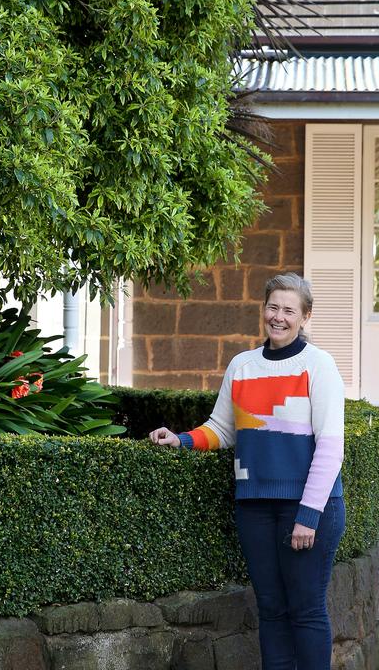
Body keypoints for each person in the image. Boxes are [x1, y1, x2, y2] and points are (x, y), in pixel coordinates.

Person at [149, 272, 345, 670]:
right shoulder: (242, 365)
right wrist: (183, 440)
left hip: (306, 509)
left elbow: (330, 446)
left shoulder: (319, 365)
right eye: (273, 307)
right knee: (271, 610)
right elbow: (223, 428)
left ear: (305, 317)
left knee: (305, 610)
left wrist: (308, 516)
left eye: (289, 310)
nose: (279, 317)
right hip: (254, 506)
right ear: (263, 310)